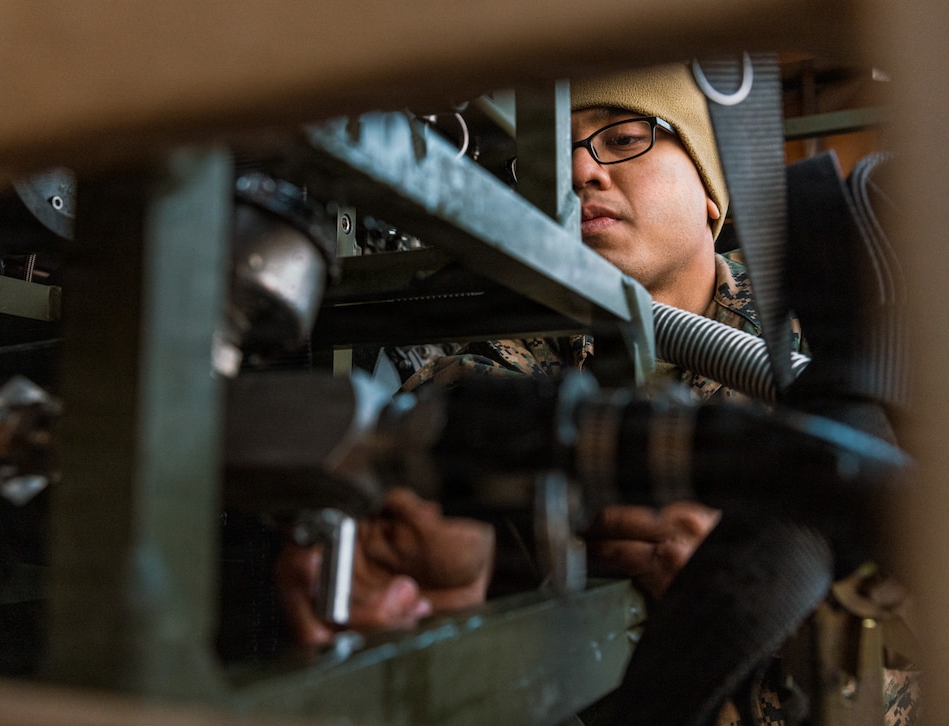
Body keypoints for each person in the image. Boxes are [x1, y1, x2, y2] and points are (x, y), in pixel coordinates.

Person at [274, 62, 913, 724]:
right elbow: (409, 505)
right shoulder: (496, 361)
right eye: (561, 154)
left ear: (710, 195)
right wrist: (399, 559)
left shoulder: (838, 349)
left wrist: (768, 589)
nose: (582, 173)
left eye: (621, 137)